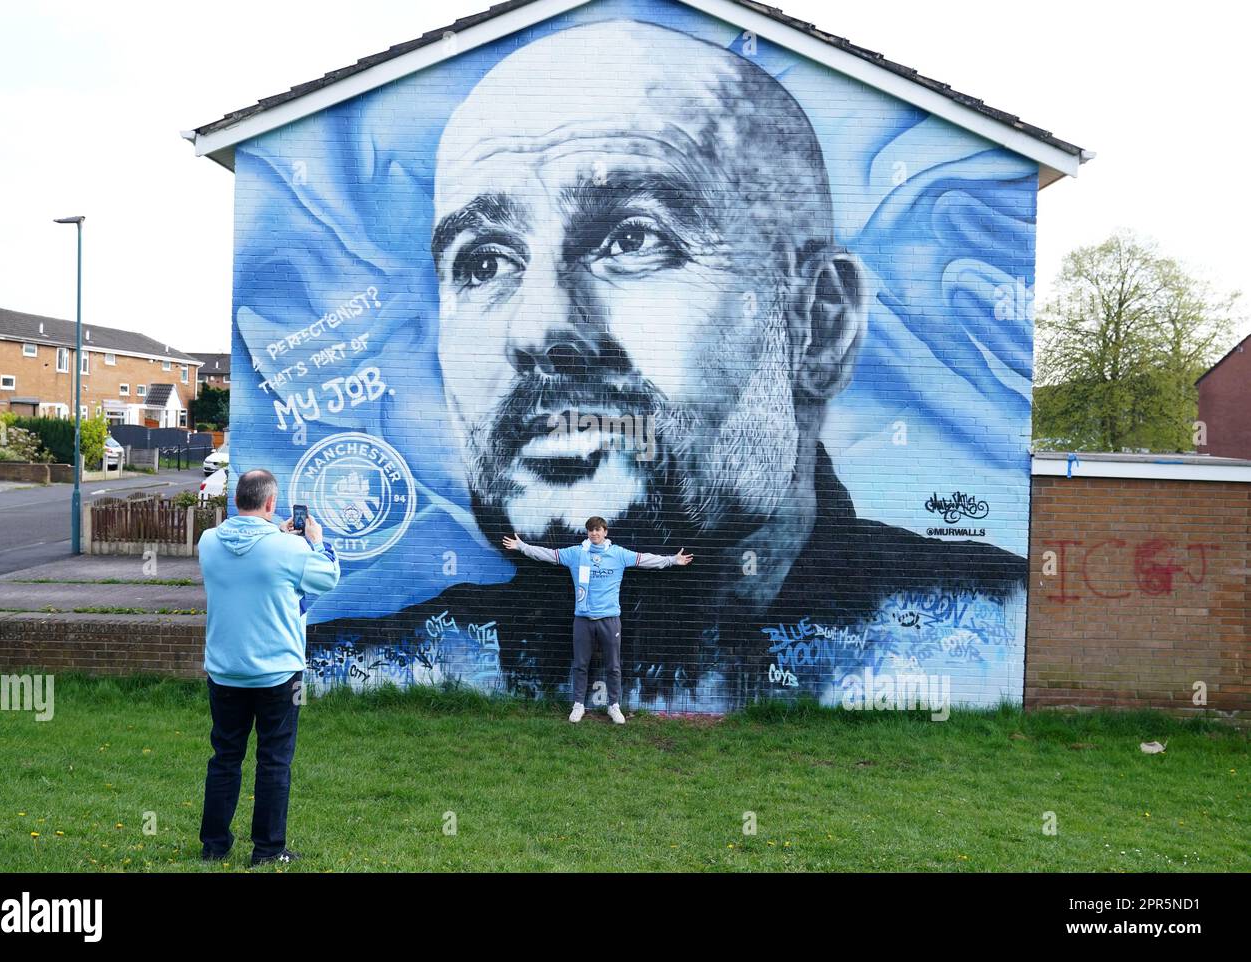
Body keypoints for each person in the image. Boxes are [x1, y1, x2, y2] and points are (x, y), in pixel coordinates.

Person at [310, 19, 1027, 710]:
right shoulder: (370, 666)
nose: (538, 327)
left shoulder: (983, 626)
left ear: (820, 326)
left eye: (632, 239)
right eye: (486, 261)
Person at [197, 468, 340, 865]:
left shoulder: (208, 542)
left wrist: (275, 533)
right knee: (274, 760)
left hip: (225, 669)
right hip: (278, 672)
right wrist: (317, 543)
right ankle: (267, 850)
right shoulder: (289, 550)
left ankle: (214, 845)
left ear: (237, 498)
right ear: (272, 503)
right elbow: (327, 578)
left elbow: (250, 557)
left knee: (225, 756)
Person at [503, 516, 692, 723]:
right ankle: (578, 705)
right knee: (580, 665)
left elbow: (644, 559)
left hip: (610, 619)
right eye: (591, 530)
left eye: (598, 530)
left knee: (613, 665)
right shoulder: (576, 553)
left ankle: (614, 706)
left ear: (605, 532)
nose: (594, 533)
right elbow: (548, 555)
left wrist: (672, 560)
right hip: (583, 620)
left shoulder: (618, 554)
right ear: (588, 533)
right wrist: (522, 547)